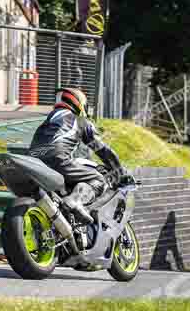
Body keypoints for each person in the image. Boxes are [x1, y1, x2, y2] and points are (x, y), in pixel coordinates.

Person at [28, 87, 129, 223]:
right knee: (99, 180)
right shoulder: (80, 121)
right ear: (78, 103)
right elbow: (103, 150)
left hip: (33, 160)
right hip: (58, 160)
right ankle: (76, 200)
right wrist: (119, 172)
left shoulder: (48, 121)